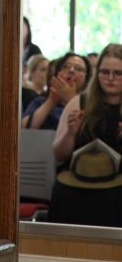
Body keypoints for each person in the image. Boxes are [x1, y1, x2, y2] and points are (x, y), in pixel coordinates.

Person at [48, 43, 122, 226]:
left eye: (118, 73)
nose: (110, 78)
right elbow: (59, 154)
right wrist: (71, 133)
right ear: (97, 74)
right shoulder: (78, 102)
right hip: (78, 181)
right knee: (62, 192)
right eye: (104, 72)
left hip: (117, 184)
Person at [22, 52, 91, 130]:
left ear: (86, 78)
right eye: (66, 66)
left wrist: (71, 100)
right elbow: (23, 129)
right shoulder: (40, 102)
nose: (71, 70)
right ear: (57, 72)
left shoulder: (90, 105)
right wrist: (51, 101)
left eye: (79, 69)